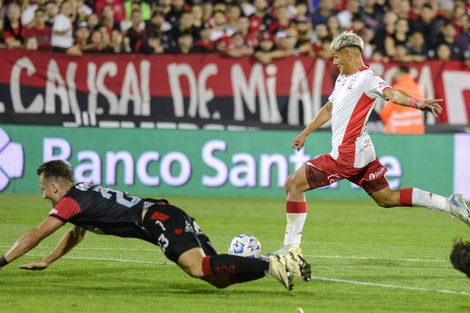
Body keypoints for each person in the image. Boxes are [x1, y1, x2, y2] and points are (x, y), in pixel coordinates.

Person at [274, 31, 470, 254]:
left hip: (347, 155)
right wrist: (305, 132)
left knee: (293, 184)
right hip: (362, 151)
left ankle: (290, 251)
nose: (334, 61)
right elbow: (329, 108)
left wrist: (417, 103)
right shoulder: (343, 78)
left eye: (336, 56)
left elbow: (392, 94)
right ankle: (449, 204)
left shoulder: (367, 78)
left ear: (349, 54)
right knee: (387, 198)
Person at [0, 160, 311, 291]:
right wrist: (48, 260)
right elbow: (75, 234)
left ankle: (273, 263)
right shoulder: (80, 196)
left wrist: (2, 262)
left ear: (55, 187)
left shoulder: (69, 202)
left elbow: (34, 235)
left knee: (197, 268)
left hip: (159, 219)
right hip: (166, 214)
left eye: (43, 188)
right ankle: (271, 265)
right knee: (216, 278)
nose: (41, 194)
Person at [379, 66, 425, 134]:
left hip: (399, 132)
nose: (394, 76)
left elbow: (385, 113)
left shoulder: (397, 89)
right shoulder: (418, 88)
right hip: (418, 132)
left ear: (401, 73)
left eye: (396, 73)